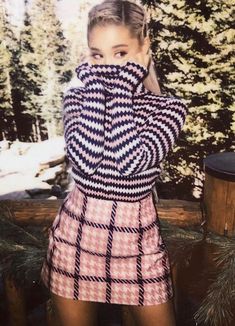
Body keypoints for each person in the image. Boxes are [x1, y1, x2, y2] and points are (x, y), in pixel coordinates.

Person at [40, 0, 188, 325]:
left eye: (120, 53)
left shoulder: (169, 110)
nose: (108, 66)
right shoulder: (77, 99)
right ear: (87, 56)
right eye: (98, 55)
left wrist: (119, 91)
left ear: (143, 47)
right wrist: (95, 87)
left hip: (138, 247)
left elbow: (130, 161)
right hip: (75, 241)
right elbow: (85, 163)